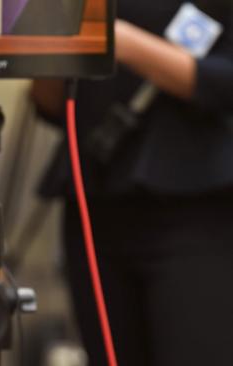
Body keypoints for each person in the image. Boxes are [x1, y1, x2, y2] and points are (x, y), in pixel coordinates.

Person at [32, 1, 233, 365]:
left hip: (195, 204)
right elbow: (49, 104)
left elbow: (223, 82)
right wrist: (47, 42)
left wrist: (112, 38)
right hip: (96, 200)